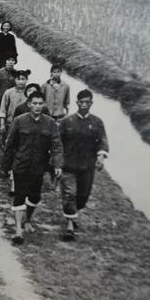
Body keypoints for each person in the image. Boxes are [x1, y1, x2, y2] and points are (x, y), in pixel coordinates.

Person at [2, 92, 63, 244]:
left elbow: (56, 145)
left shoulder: (50, 123)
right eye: (34, 103)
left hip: (38, 166)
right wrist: (7, 165)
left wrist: (57, 164)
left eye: (40, 103)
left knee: (35, 196)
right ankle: (18, 230)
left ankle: (27, 220)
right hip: (20, 164)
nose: (37, 106)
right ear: (29, 104)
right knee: (19, 196)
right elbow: (10, 145)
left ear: (44, 105)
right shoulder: (19, 120)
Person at [59, 89, 109, 240]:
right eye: (82, 102)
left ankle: (73, 213)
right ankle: (69, 227)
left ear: (91, 103)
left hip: (87, 167)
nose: (84, 105)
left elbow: (102, 142)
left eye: (88, 102)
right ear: (77, 103)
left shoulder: (97, 122)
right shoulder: (67, 122)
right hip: (68, 165)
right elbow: (57, 143)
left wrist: (100, 156)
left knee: (82, 197)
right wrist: (56, 161)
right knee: (69, 194)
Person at [0, 70, 31, 142]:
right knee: (9, 142)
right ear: (15, 79)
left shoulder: (29, 92)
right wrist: (2, 124)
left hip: (25, 123)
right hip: (10, 122)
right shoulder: (9, 92)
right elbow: (3, 109)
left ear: (27, 80)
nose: (21, 82)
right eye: (18, 79)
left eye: (23, 79)